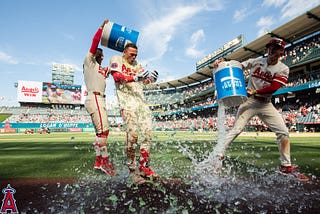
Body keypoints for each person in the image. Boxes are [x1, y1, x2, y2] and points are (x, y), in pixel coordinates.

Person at [212, 38, 309, 181]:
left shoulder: (283, 68)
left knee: (283, 132)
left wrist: (255, 92)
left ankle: (285, 166)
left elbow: (274, 87)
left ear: (281, 51)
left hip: (265, 104)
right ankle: (218, 155)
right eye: (270, 47)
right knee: (236, 129)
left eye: (275, 48)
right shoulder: (258, 60)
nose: (272, 50)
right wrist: (221, 65)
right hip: (249, 102)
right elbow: (238, 66)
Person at [109, 43, 158, 184]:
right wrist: (135, 78)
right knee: (133, 136)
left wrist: (151, 79)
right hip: (127, 104)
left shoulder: (137, 64)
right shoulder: (116, 59)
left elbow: (143, 81)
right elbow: (116, 77)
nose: (134, 56)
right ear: (124, 52)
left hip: (141, 104)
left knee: (148, 135)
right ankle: (132, 171)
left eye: (136, 54)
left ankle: (144, 167)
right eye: (131, 54)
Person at [83, 19, 116, 176]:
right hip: (95, 98)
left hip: (98, 99)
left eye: (103, 56)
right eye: (100, 55)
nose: (102, 57)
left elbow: (115, 70)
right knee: (104, 132)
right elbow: (95, 42)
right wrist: (102, 28)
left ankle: (98, 162)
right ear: (95, 54)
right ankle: (105, 162)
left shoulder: (101, 69)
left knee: (99, 134)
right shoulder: (89, 62)